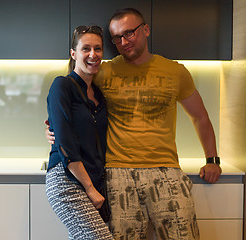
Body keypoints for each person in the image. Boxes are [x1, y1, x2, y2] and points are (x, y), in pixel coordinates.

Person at [46, 8, 222, 240]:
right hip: (117, 173)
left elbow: (199, 116)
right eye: (117, 38)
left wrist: (212, 159)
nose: (123, 41)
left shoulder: (175, 71)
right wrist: (52, 130)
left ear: (146, 30)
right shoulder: (103, 70)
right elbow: (69, 97)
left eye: (129, 33)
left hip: (166, 169)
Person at [45, 25, 114, 240]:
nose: (93, 54)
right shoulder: (62, 85)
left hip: (92, 180)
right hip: (67, 180)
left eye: (98, 49)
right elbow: (66, 143)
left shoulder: (99, 96)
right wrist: (90, 189)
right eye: (86, 49)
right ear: (74, 54)